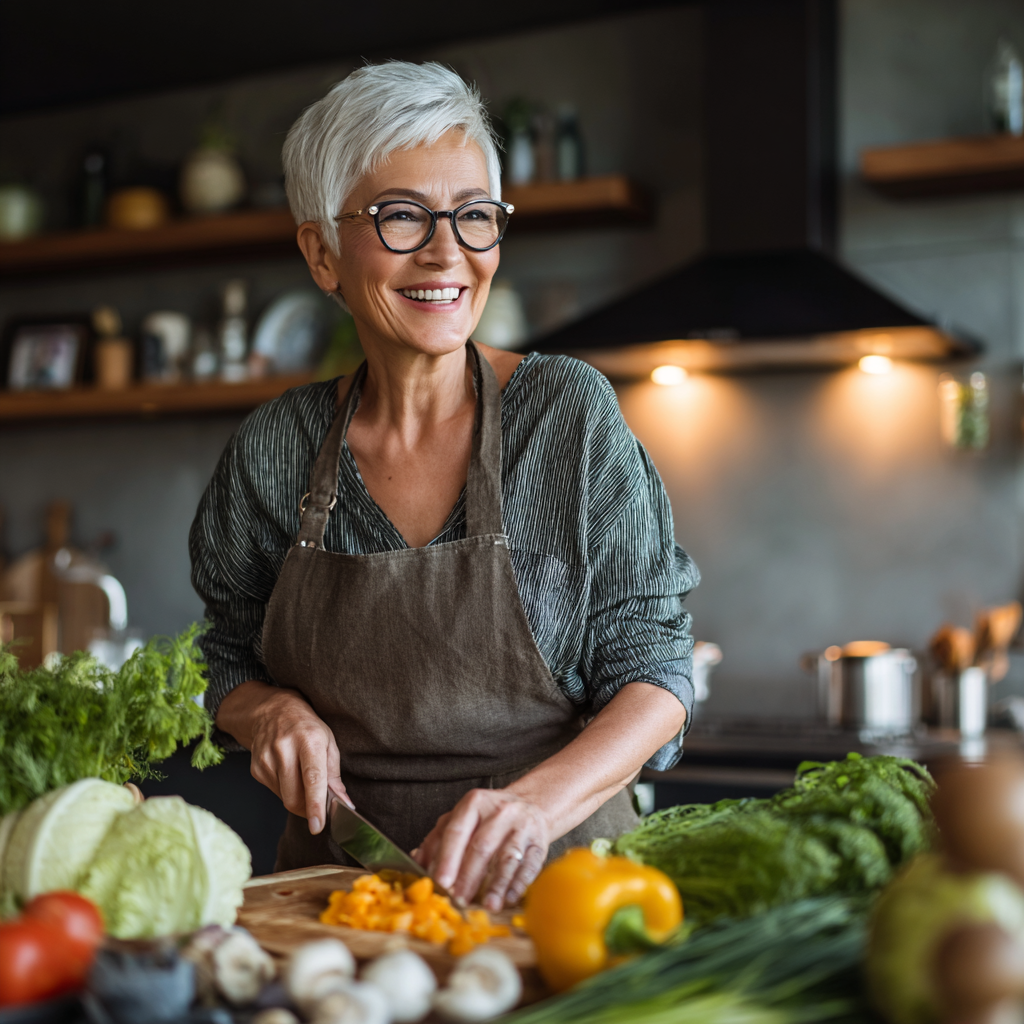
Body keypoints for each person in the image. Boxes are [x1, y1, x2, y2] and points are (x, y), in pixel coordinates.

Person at [190, 61, 698, 912]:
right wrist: (266, 713)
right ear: (321, 253)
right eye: (400, 217)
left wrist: (533, 808)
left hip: (564, 888)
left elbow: (657, 673)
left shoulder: (563, 416)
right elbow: (221, 656)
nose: (446, 251)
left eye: (473, 216)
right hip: (336, 900)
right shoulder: (275, 449)